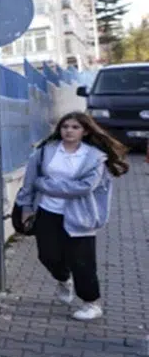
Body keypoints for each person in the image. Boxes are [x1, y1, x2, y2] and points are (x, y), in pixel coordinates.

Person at [14, 111, 129, 321]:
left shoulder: (94, 157)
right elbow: (30, 181)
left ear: (85, 131)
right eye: (65, 126)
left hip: (80, 216)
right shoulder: (46, 151)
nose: (69, 131)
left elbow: (84, 187)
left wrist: (45, 184)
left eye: (75, 127)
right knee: (47, 255)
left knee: (82, 261)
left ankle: (91, 303)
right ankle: (64, 279)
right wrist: (26, 207)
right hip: (47, 211)